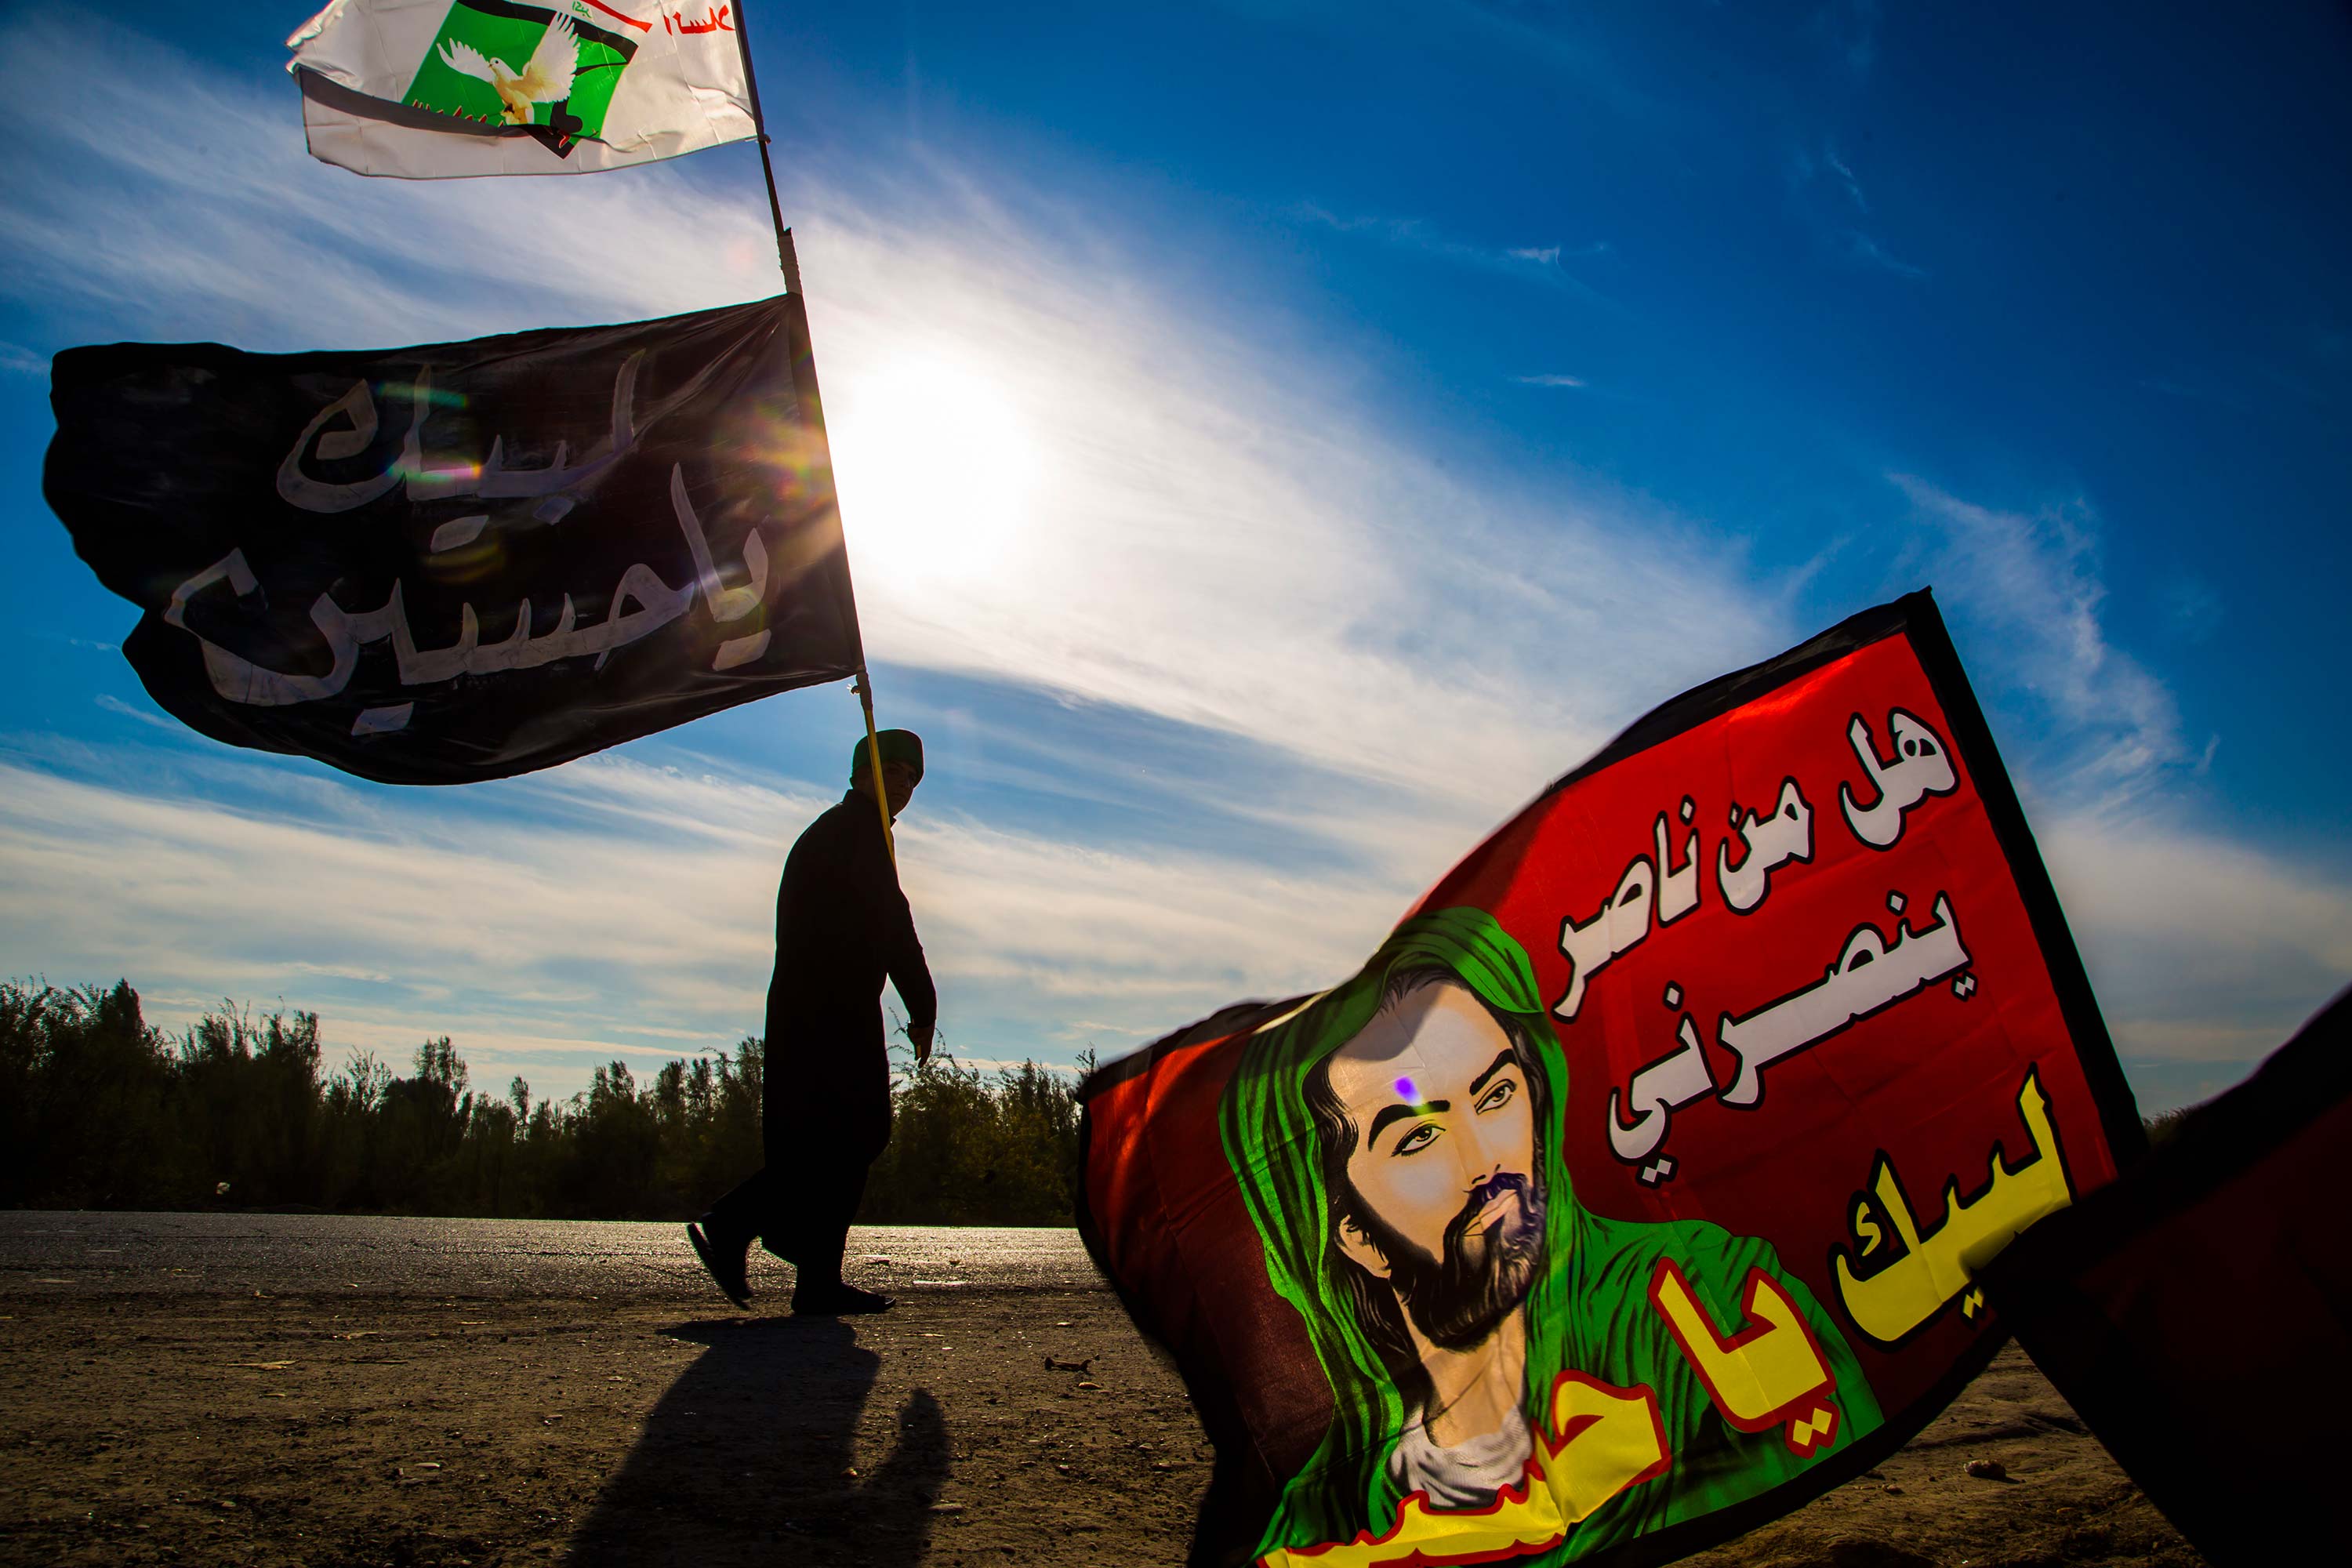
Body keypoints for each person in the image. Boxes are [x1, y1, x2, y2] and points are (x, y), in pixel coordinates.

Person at [1218, 909, 1882, 1565]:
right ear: (1356, 1233)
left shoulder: (1705, 1306)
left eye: (1496, 1096)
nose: (1486, 1163)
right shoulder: (1331, 1517)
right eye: (1418, 1137)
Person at [688, 728, 936, 1316]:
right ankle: (734, 1224)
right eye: (893, 770)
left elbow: (883, 922)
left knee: (826, 1138)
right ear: (862, 772)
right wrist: (922, 1007)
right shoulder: (852, 833)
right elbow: (893, 926)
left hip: (818, 1005)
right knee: (854, 1133)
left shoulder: (850, 832)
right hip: (828, 1008)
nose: (904, 784)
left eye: (912, 777)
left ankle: (815, 1277)